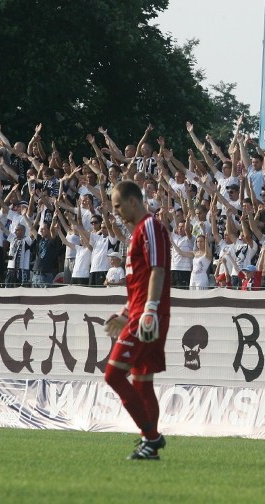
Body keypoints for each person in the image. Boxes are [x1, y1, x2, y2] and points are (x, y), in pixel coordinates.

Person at [103, 180, 171, 460]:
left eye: (118, 205)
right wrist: (125, 313)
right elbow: (140, 284)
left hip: (147, 317)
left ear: (133, 201)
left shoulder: (150, 227)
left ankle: (153, 438)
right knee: (142, 382)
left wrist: (150, 310)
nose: (116, 211)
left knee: (113, 374)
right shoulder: (136, 235)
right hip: (141, 313)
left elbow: (158, 270)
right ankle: (149, 445)